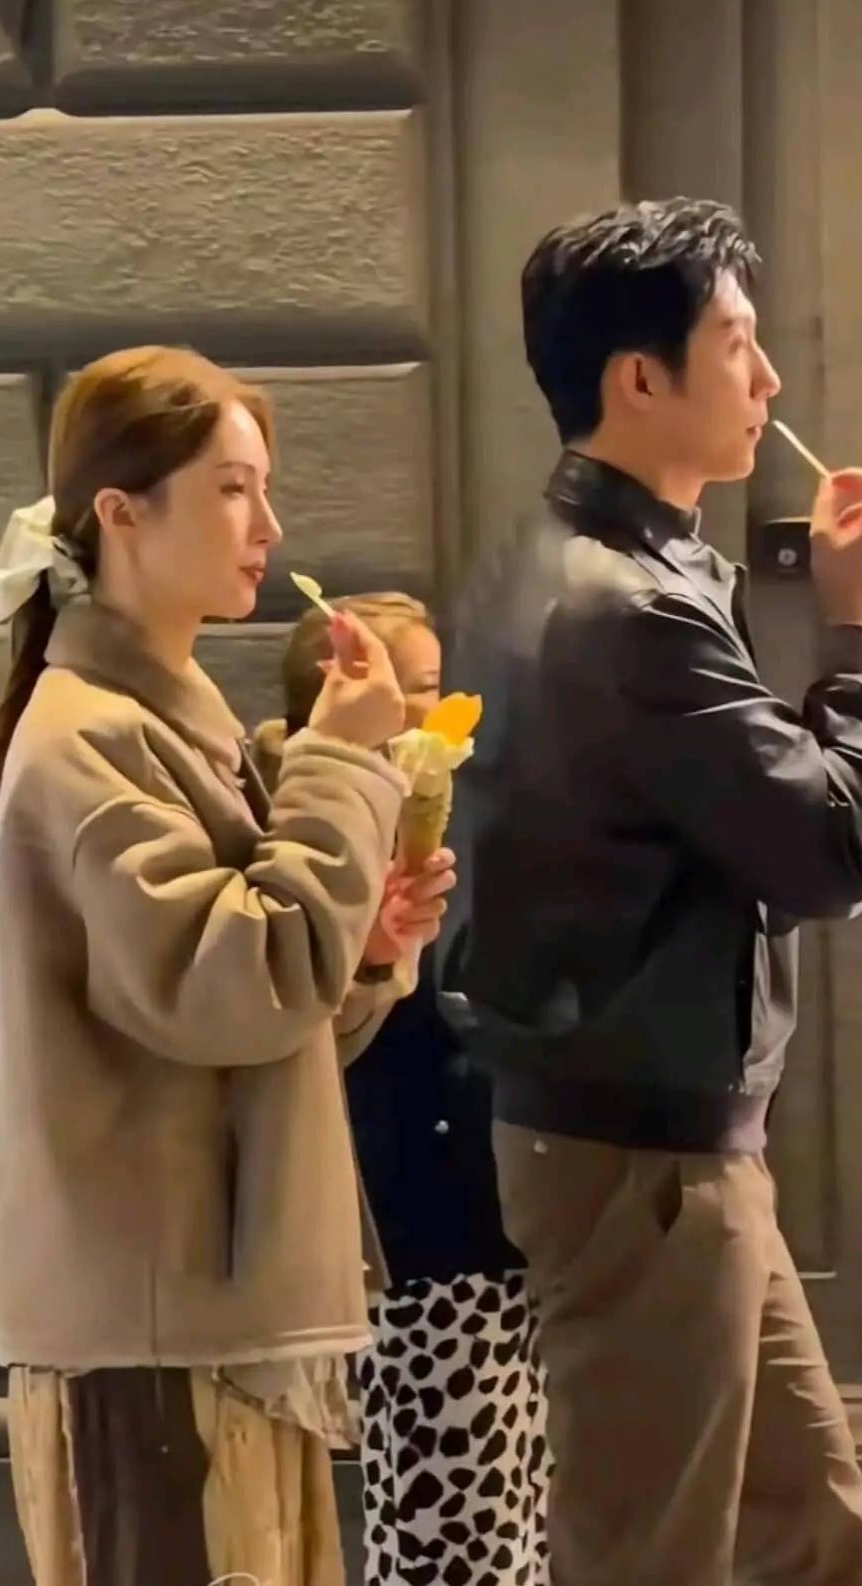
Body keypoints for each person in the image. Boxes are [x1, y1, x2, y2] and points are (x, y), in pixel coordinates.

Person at [439, 199, 862, 1586]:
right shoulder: (628, 606)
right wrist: (859, 628)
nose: (770, 379)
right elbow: (829, 848)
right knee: (654, 1552)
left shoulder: (594, 567)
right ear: (640, 378)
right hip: (640, 1157)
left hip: (660, 1137)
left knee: (806, 1522)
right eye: (738, 343)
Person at [0, 346, 456, 1586]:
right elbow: (237, 987)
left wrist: (365, 954)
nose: (268, 528)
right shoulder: (85, 741)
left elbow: (264, 1015)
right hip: (153, 1335)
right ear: (122, 513)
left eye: (264, 490)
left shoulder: (165, 725)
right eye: (233, 490)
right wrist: (340, 765)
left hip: (207, 1323)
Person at [256, 592, 551, 1586]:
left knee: (510, 1522)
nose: (446, 708)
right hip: (419, 1238)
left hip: (491, 1226)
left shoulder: (435, 815)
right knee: (447, 1531)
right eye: (421, 687)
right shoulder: (318, 837)